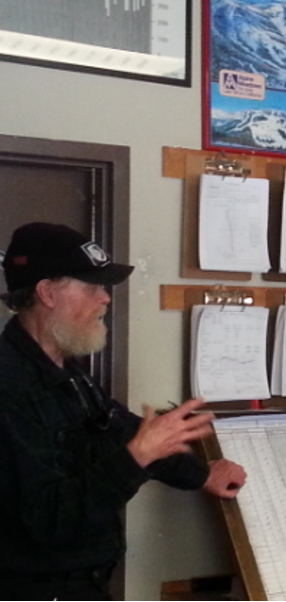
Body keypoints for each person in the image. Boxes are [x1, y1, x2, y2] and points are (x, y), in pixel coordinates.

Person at [0, 222, 247, 600]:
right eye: (92, 287)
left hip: (89, 586)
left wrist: (201, 475)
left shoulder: (66, 371)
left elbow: (122, 430)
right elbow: (51, 519)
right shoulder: (10, 385)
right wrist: (136, 458)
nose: (105, 299)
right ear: (47, 292)